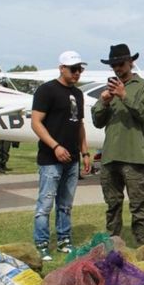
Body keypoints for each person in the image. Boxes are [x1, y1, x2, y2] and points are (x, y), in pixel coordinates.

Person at [31, 50, 91, 261]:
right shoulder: (46, 90)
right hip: (50, 159)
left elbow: (79, 125)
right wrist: (55, 146)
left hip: (73, 158)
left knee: (65, 204)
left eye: (80, 69)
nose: (77, 73)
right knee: (45, 204)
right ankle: (41, 243)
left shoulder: (79, 94)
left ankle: (65, 239)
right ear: (61, 68)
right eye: (73, 69)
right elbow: (36, 122)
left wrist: (85, 152)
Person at [92, 44, 144, 245]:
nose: (117, 68)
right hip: (110, 157)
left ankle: (142, 245)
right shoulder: (109, 90)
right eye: (113, 65)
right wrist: (104, 102)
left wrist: (124, 96)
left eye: (120, 63)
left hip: (134, 156)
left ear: (131, 62)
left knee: (138, 205)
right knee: (112, 205)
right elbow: (97, 121)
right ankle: (113, 245)